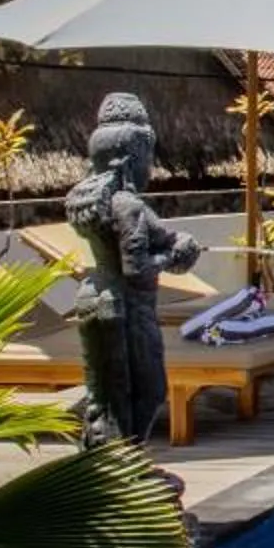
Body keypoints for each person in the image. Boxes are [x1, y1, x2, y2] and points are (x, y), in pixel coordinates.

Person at [66, 92, 204, 445]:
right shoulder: (129, 206)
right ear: (131, 160)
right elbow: (137, 268)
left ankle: (104, 466)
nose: (151, 167)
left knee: (106, 398)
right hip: (129, 307)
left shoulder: (91, 200)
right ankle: (127, 466)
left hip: (94, 297)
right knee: (147, 392)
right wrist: (176, 257)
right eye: (148, 158)